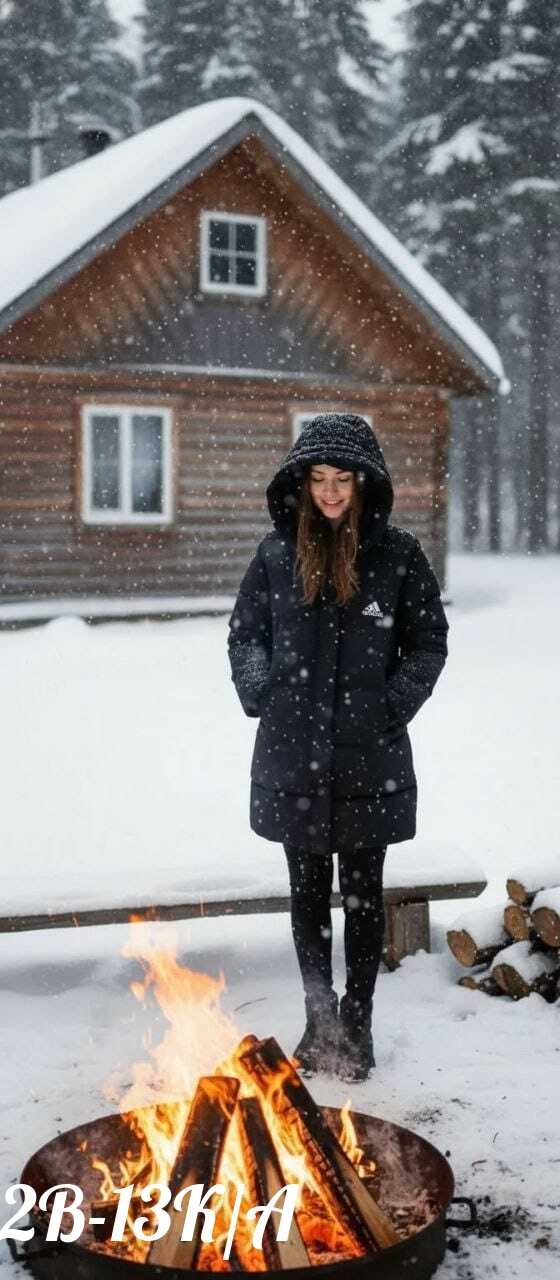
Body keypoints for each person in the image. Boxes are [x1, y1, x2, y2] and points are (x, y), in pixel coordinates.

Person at [227, 413, 449, 1082]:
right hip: (293, 754)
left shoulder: (399, 555)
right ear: (303, 482)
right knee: (304, 893)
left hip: (366, 756)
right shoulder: (275, 554)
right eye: (318, 479)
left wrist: (388, 707)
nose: (329, 492)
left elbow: (428, 643)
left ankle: (358, 1022)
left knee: (361, 893)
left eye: (341, 479)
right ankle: (318, 1021)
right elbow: (246, 635)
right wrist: (262, 690)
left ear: (363, 483)